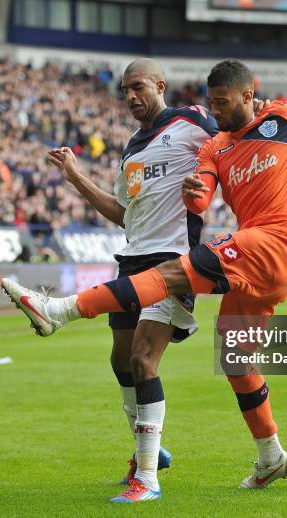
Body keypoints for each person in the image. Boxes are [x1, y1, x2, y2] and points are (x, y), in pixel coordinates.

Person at [0, 59, 287, 499]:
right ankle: (272, 455)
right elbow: (203, 190)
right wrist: (196, 194)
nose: (216, 112)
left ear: (248, 96)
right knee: (235, 361)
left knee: (174, 275)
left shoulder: (283, 116)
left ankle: (59, 310)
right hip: (254, 268)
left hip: (274, 243)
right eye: (212, 104)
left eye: (222, 103)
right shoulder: (216, 147)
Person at [48, 58, 220, 503]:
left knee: (145, 360)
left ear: (160, 85)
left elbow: (234, 144)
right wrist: (76, 178)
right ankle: (151, 450)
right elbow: (125, 215)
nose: (130, 96)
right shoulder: (130, 149)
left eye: (137, 87)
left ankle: (147, 477)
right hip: (131, 259)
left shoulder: (194, 120)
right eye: (125, 90)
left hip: (173, 261)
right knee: (120, 362)